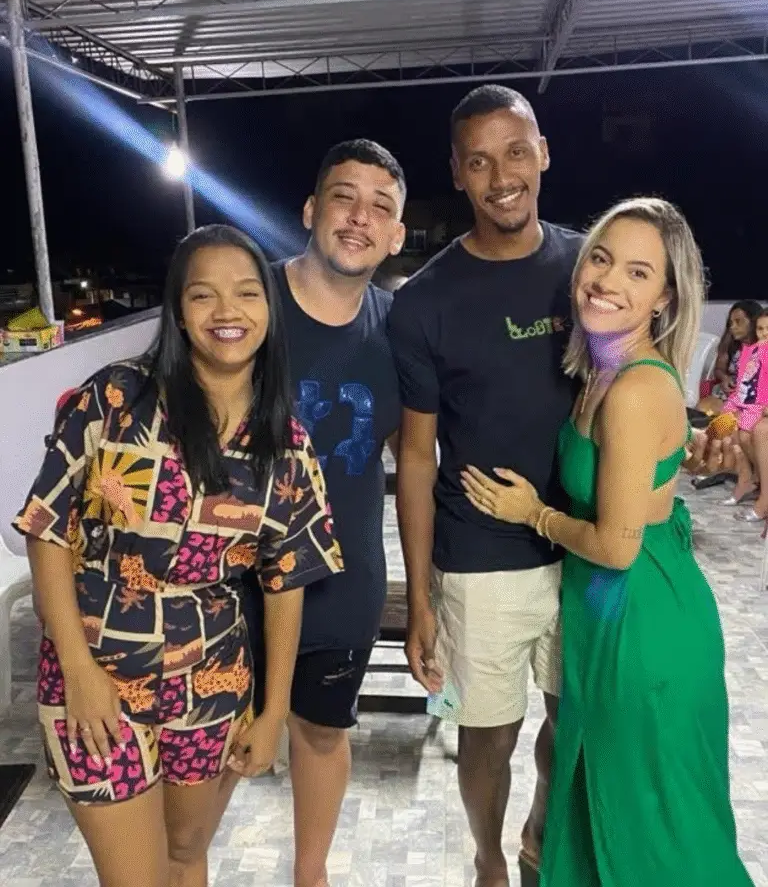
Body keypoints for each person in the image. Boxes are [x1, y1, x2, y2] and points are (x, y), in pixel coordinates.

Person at [388, 84, 740, 887]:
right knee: (489, 736)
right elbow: (414, 454)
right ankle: (489, 863)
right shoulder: (428, 301)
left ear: (543, 153)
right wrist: (421, 596)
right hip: (483, 556)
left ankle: (544, 840)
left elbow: (643, 395)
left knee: (578, 730)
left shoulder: (586, 266)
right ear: (457, 172)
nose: (501, 175)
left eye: (516, 151)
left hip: (592, 569)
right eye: (479, 161)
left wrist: (680, 446)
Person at [13, 225, 341, 887]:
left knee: (187, 854)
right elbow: (46, 529)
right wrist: (78, 670)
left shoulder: (287, 443)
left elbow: (285, 580)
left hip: (211, 676)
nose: (226, 312)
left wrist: (274, 710)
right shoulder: (115, 400)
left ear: (269, 309)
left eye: (246, 293)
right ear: (179, 311)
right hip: (98, 673)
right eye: (203, 295)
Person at [461, 197, 754, 887]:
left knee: (651, 840)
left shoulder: (632, 389)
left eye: (638, 272)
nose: (608, 281)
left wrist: (532, 512)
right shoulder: (603, 371)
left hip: (641, 631)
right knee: (614, 825)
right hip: (615, 616)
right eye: (600, 258)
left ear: (665, 297)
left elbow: (618, 545)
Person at [242, 139, 404, 887]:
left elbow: (422, 454)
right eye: (345, 197)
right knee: (215, 748)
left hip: (345, 582)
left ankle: (311, 875)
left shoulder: (399, 328)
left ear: (396, 235)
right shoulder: (250, 306)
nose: (359, 217)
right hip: (234, 583)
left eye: (380, 207)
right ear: (311, 210)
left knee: (322, 731)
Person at [723, 307, 768, 520]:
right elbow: (743, 379)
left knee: (748, 433)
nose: (764, 333)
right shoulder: (752, 350)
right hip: (744, 401)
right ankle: (746, 477)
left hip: (757, 405)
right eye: (760, 329)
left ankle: (756, 484)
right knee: (729, 427)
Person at [696, 299, 762, 416]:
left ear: (754, 322)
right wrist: (725, 378)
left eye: (738, 322)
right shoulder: (730, 345)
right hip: (726, 394)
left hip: (753, 398)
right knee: (703, 409)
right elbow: (719, 369)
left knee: (733, 417)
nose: (732, 327)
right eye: (731, 323)